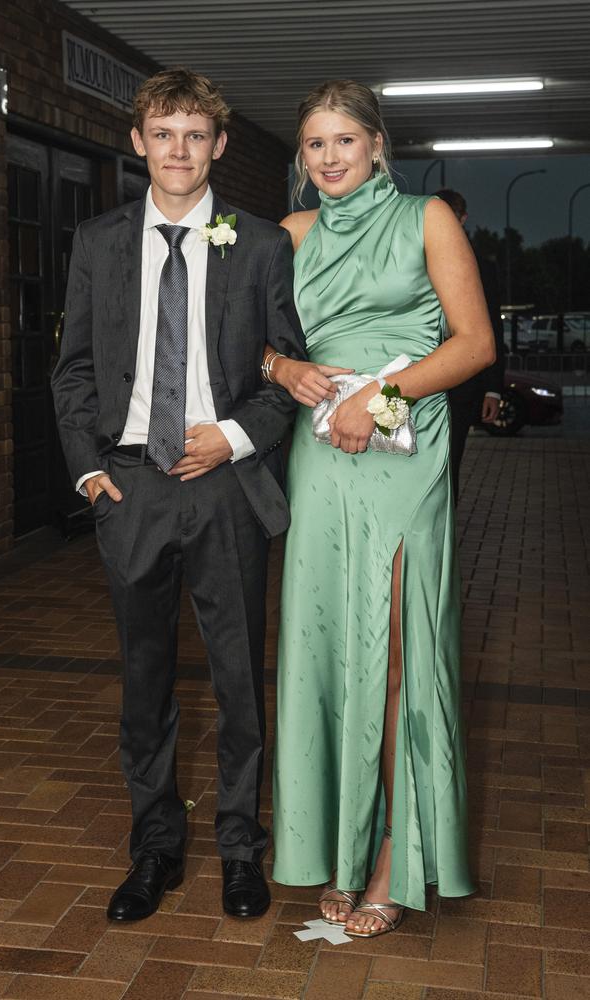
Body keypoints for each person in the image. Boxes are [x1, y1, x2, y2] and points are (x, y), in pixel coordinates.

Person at [51, 67, 305, 923]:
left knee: (238, 679)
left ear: (218, 146)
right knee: (145, 680)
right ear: (138, 142)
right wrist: (92, 470)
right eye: (163, 133)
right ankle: (154, 848)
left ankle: (241, 849)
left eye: (195, 135)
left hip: (225, 488)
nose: (179, 150)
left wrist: (232, 436)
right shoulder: (98, 241)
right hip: (130, 488)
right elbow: (75, 368)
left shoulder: (262, 243)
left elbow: (283, 373)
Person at [267, 80, 495, 938]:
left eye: (344, 142)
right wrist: (282, 370)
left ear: (376, 146)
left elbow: (474, 345)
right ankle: (344, 848)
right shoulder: (291, 234)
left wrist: (382, 400)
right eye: (314, 145)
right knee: (328, 643)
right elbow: (234, 336)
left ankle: (401, 853)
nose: (328, 159)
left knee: (397, 644)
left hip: (404, 450)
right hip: (320, 456)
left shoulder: (428, 218)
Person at [435, 189, 506, 502]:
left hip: (462, 385)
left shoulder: (480, 264)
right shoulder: (412, 253)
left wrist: (493, 389)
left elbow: (492, 327)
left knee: (450, 463)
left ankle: (442, 536)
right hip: (414, 377)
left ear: (462, 219)